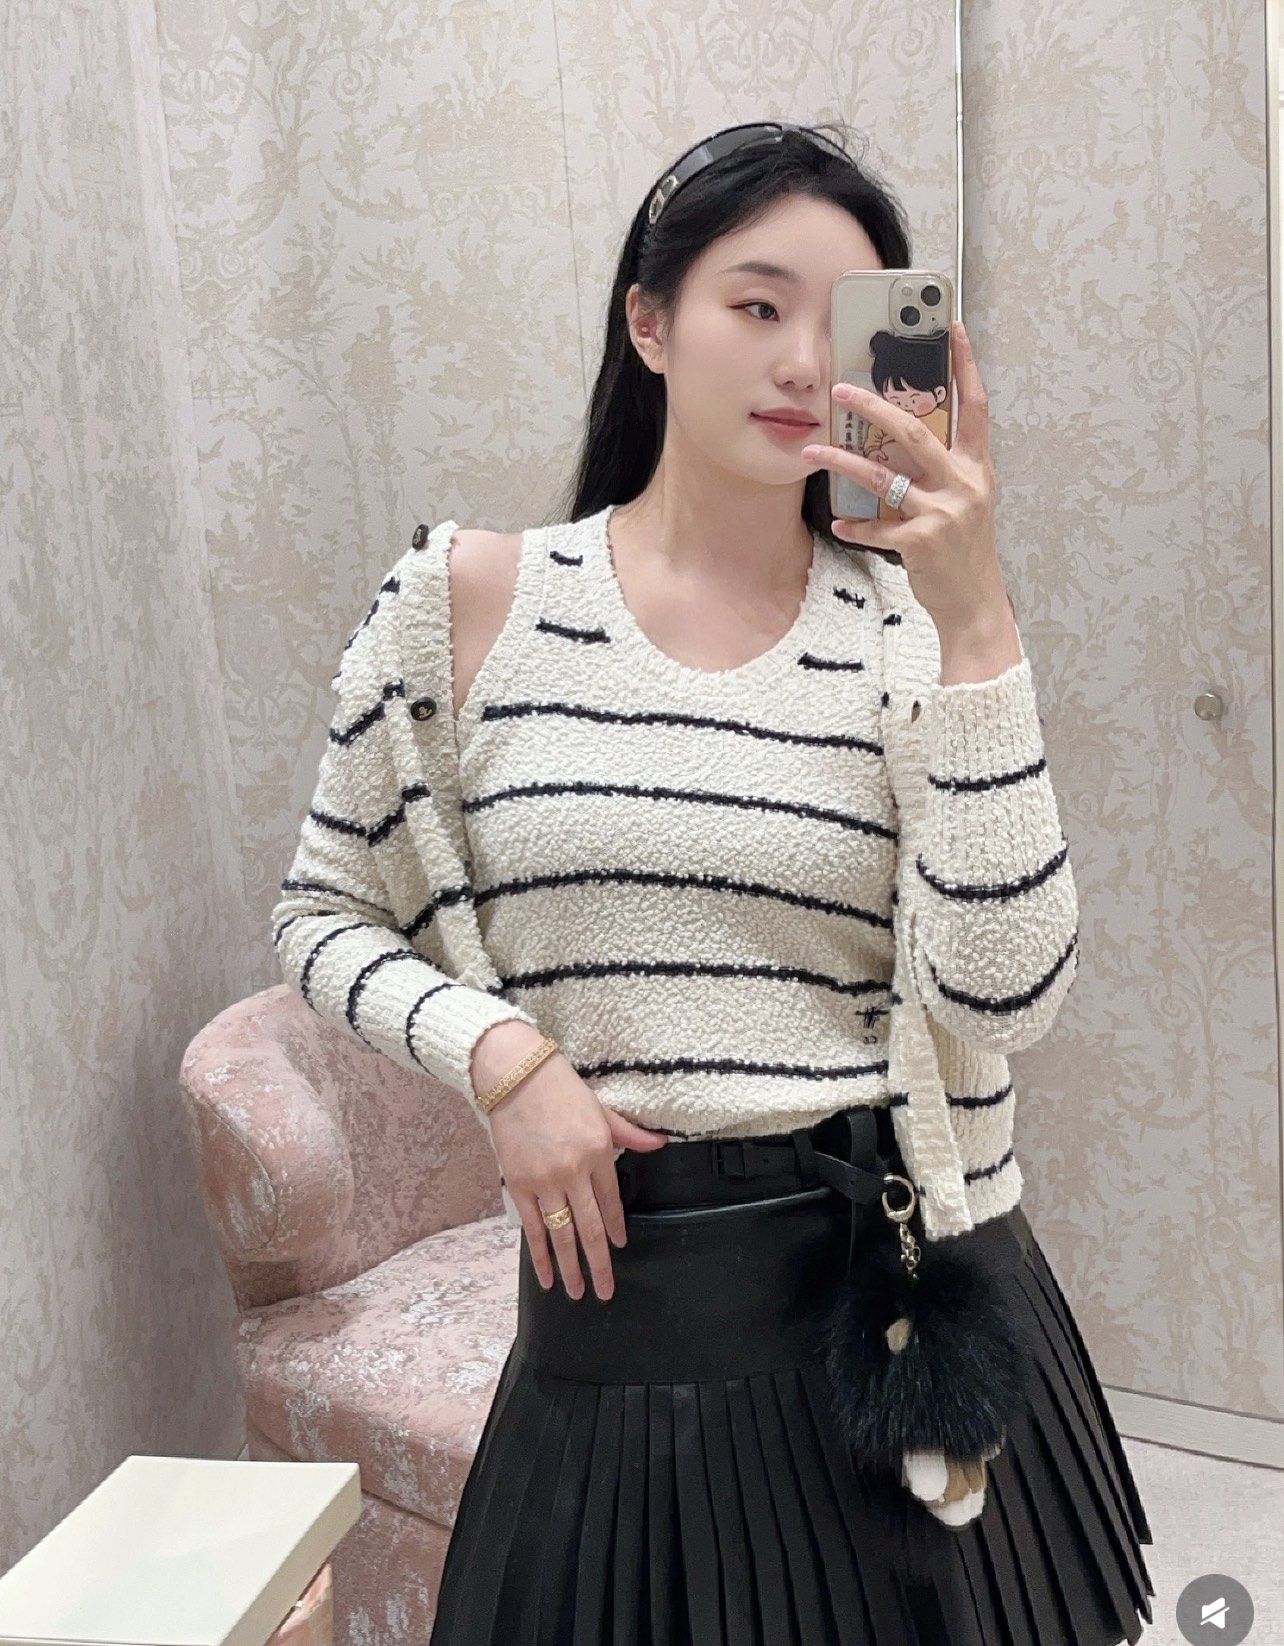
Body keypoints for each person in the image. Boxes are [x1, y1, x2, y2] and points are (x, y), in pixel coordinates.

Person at [273, 122, 1156, 1645]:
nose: (805, 362)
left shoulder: (910, 630)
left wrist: (980, 619)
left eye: (847, 321)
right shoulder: (465, 607)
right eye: (756, 304)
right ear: (648, 320)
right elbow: (320, 915)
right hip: (629, 1320)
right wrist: (501, 1059)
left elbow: (1007, 994)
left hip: (906, 1300)